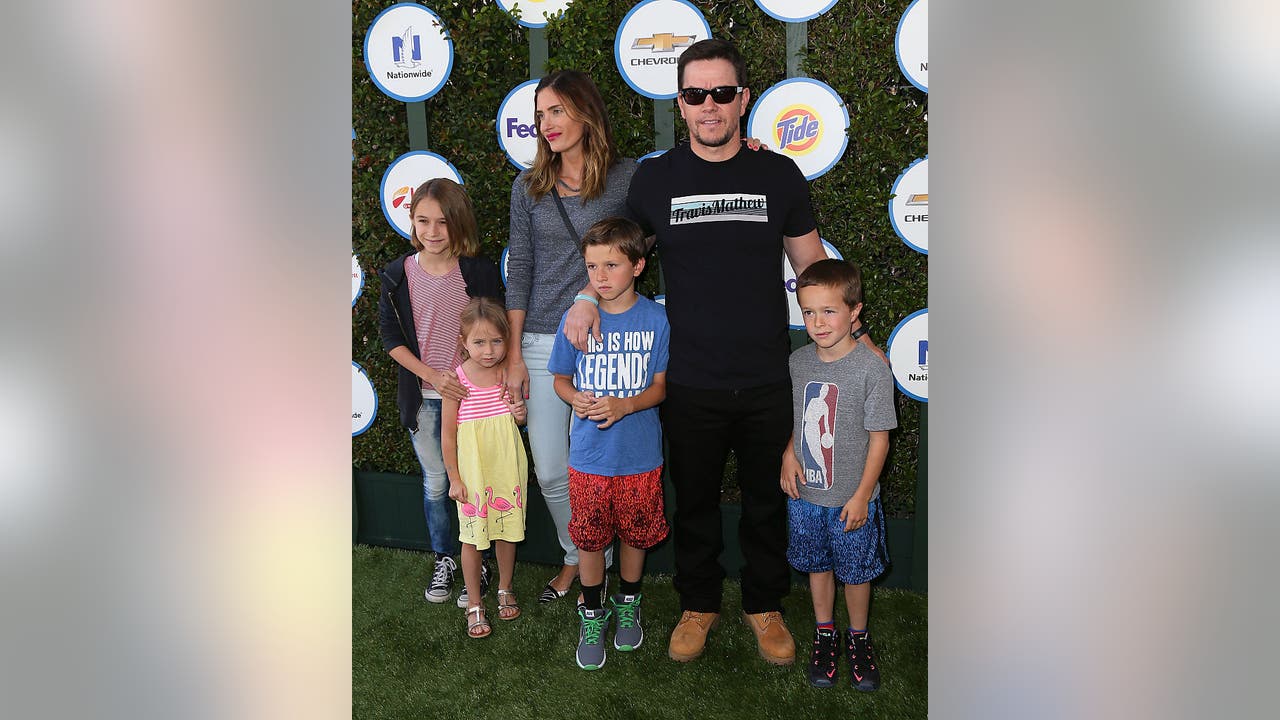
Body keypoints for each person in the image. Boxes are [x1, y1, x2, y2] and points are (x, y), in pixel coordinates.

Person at [573, 38, 882, 665]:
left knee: (769, 502)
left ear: (742, 99)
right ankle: (699, 604)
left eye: (721, 92)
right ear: (681, 104)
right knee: (695, 504)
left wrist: (859, 337)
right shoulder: (655, 180)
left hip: (769, 376)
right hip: (689, 378)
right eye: (696, 94)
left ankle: (764, 606)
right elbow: (618, 253)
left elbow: (812, 268)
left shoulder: (778, 174)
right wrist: (584, 297)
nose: (708, 105)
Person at [505, 70, 636, 602]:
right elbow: (520, 269)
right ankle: (580, 555)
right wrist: (513, 354)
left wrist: (589, 294)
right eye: (540, 115)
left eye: (556, 110)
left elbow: (644, 239)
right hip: (540, 339)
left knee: (607, 468)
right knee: (552, 470)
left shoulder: (626, 179)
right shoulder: (528, 186)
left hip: (608, 338)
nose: (547, 124)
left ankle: (595, 567)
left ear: (586, 111)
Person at [547, 217, 671, 671]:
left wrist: (625, 406)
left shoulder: (657, 319)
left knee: (636, 534)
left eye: (611, 265)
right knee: (590, 538)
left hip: (640, 456)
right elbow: (560, 379)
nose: (600, 276)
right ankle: (593, 613)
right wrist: (573, 397)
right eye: (592, 266)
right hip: (588, 458)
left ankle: (629, 602)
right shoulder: (576, 318)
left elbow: (660, 388)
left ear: (638, 266)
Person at [377, 178, 503, 609]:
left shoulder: (478, 272)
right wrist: (432, 375)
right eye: (423, 221)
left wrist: (475, 374)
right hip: (425, 400)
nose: (432, 231)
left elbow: (497, 333)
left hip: (474, 400)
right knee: (436, 481)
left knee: (477, 481)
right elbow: (390, 338)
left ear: (459, 222)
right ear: (412, 222)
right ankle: (444, 558)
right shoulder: (397, 275)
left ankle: (478, 560)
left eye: (443, 222)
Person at [780, 259, 896, 691]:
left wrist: (863, 495)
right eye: (809, 312)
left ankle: (859, 638)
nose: (818, 322)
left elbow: (880, 440)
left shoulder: (872, 368)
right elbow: (797, 420)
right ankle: (825, 633)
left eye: (829, 311)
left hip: (852, 499)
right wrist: (788, 454)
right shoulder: (798, 363)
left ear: (854, 311)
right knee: (817, 567)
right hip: (807, 496)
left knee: (856, 573)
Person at [441, 298, 529, 639]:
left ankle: (506, 587)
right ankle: (475, 603)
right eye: (479, 342)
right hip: (473, 473)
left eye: (496, 341)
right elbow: (448, 436)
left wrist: (520, 414)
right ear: (463, 342)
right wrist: (454, 478)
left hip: (506, 466)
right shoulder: (457, 382)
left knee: (507, 529)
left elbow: (517, 419)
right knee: (472, 538)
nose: (489, 350)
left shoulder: (508, 373)